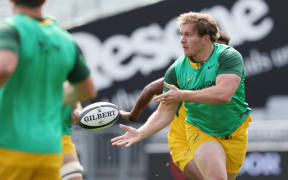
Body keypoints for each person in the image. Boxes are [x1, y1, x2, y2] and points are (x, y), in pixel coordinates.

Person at [111, 11, 251, 180]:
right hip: (200, 130)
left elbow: (223, 94)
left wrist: (182, 95)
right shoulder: (177, 69)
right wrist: (141, 132)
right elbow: (164, 111)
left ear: (206, 38)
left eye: (188, 35)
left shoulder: (229, 57)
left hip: (235, 131)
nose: (182, 40)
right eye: (181, 34)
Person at [0, 0, 96, 179]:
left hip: (9, 146)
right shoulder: (64, 38)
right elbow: (88, 90)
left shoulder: (9, 30)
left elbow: (4, 67)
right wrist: (50, 97)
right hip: (49, 151)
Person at [120, 32, 231, 180]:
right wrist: (133, 115)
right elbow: (151, 89)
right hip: (183, 143)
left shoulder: (228, 77)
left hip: (213, 140)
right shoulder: (183, 73)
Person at [61, 103, 84, 180]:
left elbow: (75, 102)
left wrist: (78, 111)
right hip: (27, 144)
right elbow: (90, 92)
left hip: (63, 141)